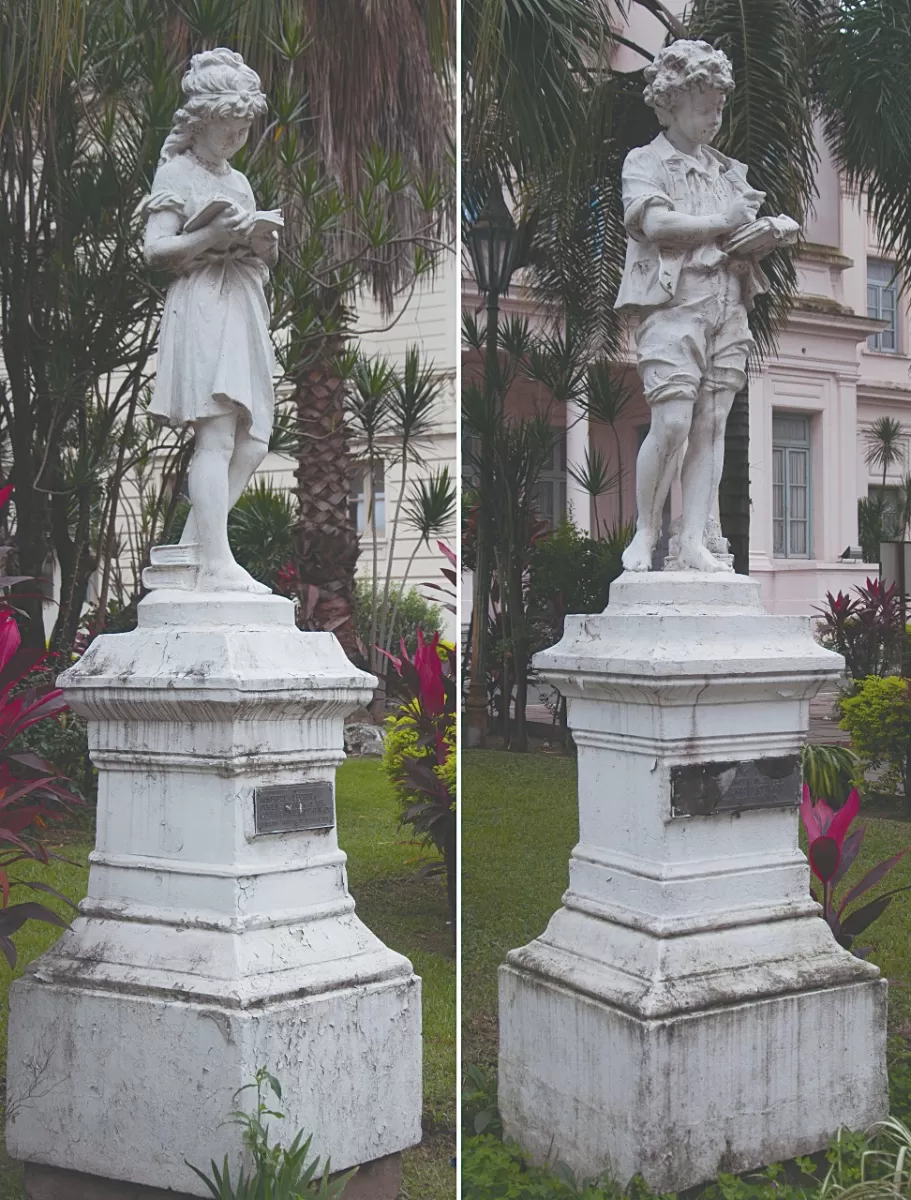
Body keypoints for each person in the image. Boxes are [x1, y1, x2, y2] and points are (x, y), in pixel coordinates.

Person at [616, 40, 779, 573]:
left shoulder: (727, 171)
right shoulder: (645, 162)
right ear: (669, 104)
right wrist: (726, 222)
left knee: (711, 422)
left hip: (728, 301)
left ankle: (692, 542)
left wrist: (764, 232)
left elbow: (736, 224)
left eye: (720, 107)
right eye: (705, 106)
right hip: (673, 305)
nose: (715, 117)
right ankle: (646, 533)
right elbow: (656, 225)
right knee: (672, 423)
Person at [144, 48, 279, 593]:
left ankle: (192, 550)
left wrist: (261, 242)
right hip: (201, 302)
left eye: (243, 132)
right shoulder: (176, 171)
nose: (236, 142)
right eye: (228, 130)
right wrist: (210, 238)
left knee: (255, 439)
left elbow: (262, 255)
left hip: (243, 301)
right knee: (218, 435)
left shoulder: (241, 182)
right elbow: (155, 249)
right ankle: (215, 562)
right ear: (200, 123)